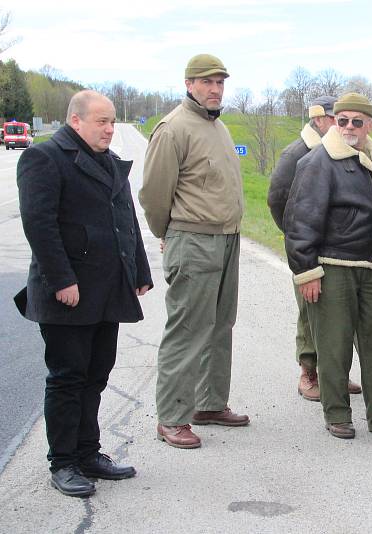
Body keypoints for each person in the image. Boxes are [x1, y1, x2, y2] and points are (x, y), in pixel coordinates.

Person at [15, 90, 152, 497]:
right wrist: (61, 280)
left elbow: (124, 220)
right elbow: (39, 224)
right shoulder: (45, 158)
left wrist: (139, 271)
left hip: (106, 290)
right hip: (67, 293)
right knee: (68, 377)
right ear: (76, 121)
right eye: (102, 122)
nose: (110, 129)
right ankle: (63, 463)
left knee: (96, 374)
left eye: (112, 122)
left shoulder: (109, 163)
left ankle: (88, 453)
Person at [283, 93, 372, 439]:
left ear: (369, 125)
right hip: (333, 269)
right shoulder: (318, 162)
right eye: (341, 120)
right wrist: (307, 271)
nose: (347, 127)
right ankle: (338, 415)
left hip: (371, 269)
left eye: (356, 121)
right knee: (334, 345)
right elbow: (301, 220)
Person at [140, 54, 249, 450]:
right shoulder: (173, 129)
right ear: (189, 84)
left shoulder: (217, 126)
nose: (215, 89)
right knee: (188, 331)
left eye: (220, 82)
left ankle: (209, 404)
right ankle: (172, 417)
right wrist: (168, 235)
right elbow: (154, 196)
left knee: (221, 326)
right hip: (194, 240)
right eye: (207, 82)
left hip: (228, 239)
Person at [267, 95, 362, 402]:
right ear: (319, 120)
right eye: (336, 119)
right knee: (310, 315)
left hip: (341, 251)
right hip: (309, 251)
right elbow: (277, 200)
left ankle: (334, 375)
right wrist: (300, 240)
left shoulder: (344, 152)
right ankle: (308, 374)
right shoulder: (296, 153)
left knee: (340, 316)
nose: (342, 126)